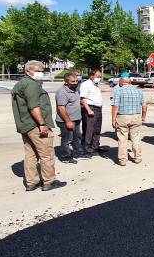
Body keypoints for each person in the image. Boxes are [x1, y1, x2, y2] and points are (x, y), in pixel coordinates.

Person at [11, 60, 67, 191]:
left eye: (42, 71)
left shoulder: (21, 84)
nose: (40, 73)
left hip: (25, 125)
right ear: (27, 71)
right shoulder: (31, 85)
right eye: (37, 71)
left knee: (30, 154)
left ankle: (32, 182)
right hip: (35, 125)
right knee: (46, 154)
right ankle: (49, 181)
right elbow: (33, 106)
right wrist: (42, 124)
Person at [111, 74, 147, 166]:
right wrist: (143, 116)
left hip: (122, 117)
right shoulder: (138, 91)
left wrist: (113, 119)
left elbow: (115, 106)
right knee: (136, 138)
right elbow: (144, 105)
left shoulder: (118, 91)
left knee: (122, 139)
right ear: (130, 82)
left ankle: (122, 160)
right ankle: (137, 158)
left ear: (122, 82)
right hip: (136, 117)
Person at [55, 73, 84, 164]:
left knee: (77, 136)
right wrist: (68, 121)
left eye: (76, 81)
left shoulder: (75, 89)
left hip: (76, 119)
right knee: (67, 139)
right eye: (73, 81)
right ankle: (66, 157)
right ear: (66, 82)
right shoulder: (62, 92)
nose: (75, 83)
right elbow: (61, 108)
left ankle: (77, 153)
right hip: (66, 121)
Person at [80, 69, 106, 156]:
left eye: (100, 76)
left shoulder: (95, 84)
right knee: (89, 130)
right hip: (91, 109)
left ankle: (95, 147)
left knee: (97, 130)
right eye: (97, 76)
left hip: (98, 109)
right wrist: (88, 110)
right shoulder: (85, 84)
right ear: (91, 76)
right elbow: (83, 99)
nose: (99, 78)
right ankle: (87, 150)